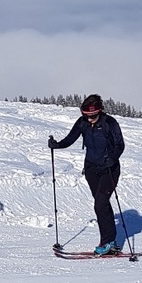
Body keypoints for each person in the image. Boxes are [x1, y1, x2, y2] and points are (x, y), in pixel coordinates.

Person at [48, 94, 125, 255]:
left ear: (100, 111)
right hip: (91, 170)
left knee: (100, 204)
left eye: (93, 116)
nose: (89, 119)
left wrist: (112, 158)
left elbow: (120, 145)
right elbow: (70, 139)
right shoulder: (82, 123)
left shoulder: (110, 123)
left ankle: (107, 242)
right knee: (102, 204)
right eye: (86, 115)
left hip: (109, 170)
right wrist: (57, 145)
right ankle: (111, 240)